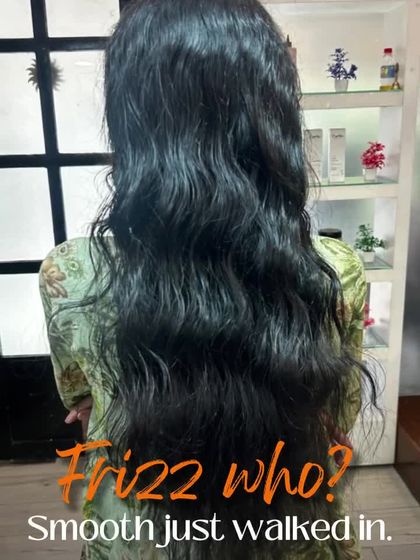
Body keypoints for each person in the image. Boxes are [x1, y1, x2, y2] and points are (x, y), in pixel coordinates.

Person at [39, 0, 376, 558]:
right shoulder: (334, 270)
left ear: (130, 117)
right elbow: (336, 417)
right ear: (273, 114)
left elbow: (83, 404)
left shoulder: (70, 274)